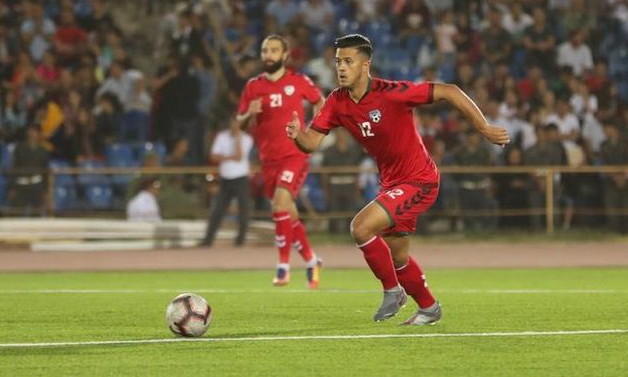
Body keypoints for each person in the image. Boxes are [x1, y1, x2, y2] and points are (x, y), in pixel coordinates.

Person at [286, 34, 509, 324]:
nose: (341, 67)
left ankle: (393, 291)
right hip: (392, 184)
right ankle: (429, 308)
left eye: (348, 61)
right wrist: (297, 136)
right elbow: (311, 143)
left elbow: (449, 91)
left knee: (361, 228)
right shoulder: (337, 102)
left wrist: (484, 128)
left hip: (420, 180)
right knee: (398, 258)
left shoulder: (392, 93)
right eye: (338, 61)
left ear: (365, 66)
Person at [237, 35, 325, 288]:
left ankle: (283, 266)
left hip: (294, 154)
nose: (268, 55)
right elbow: (239, 122)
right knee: (289, 213)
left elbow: (320, 102)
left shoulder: (298, 81)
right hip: (269, 159)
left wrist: (312, 133)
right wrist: (247, 114)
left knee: (278, 206)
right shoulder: (253, 86)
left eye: (274, 50)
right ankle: (311, 260)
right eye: (265, 50)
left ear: (285, 55)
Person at [201, 116, 254, 247]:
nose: (234, 125)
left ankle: (240, 240)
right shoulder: (221, 136)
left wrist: (237, 138)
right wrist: (229, 157)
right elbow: (213, 156)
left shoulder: (246, 139)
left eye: (237, 123)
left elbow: (239, 156)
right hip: (225, 178)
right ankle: (208, 240)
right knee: (218, 210)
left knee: (243, 210)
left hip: (240, 178)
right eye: (232, 122)